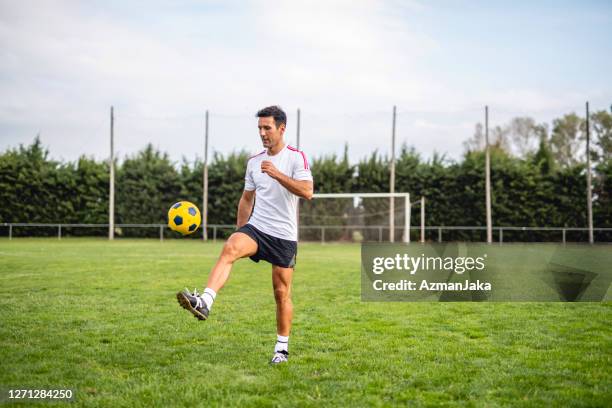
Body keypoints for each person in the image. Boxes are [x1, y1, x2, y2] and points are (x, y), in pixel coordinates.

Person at [177, 105, 313, 365]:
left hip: (284, 236)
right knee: (230, 247)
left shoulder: (297, 158)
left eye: (267, 128)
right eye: (260, 128)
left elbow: (307, 191)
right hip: (257, 229)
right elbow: (246, 199)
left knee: (281, 293)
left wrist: (277, 173)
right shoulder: (253, 162)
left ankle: (281, 350)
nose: (262, 133)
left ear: (281, 128)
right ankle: (205, 301)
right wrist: (241, 230)